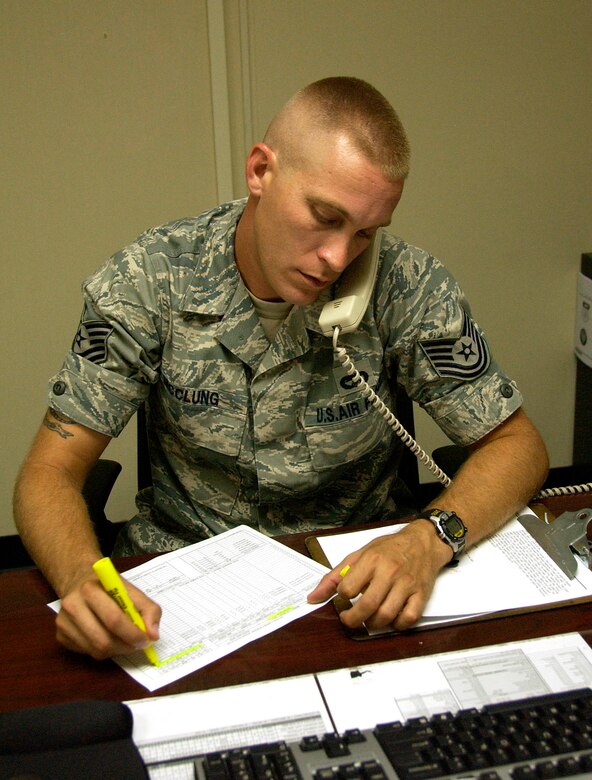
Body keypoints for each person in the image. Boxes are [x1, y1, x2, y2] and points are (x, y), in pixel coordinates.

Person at [13, 77, 548, 661]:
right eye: (324, 216)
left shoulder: (406, 285)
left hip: (355, 580)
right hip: (182, 585)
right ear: (260, 171)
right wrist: (80, 581)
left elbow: (516, 446)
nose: (338, 257)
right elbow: (49, 471)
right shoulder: (148, 280)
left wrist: (430, 537)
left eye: (365, 232)